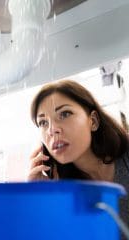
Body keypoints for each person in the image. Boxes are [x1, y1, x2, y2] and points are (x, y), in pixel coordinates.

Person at [28, 79, 129, 234]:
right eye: (43, 122)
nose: (52, 130)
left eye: (64, 114)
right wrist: (44, 198)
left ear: (93, 121)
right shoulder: (64, 189)